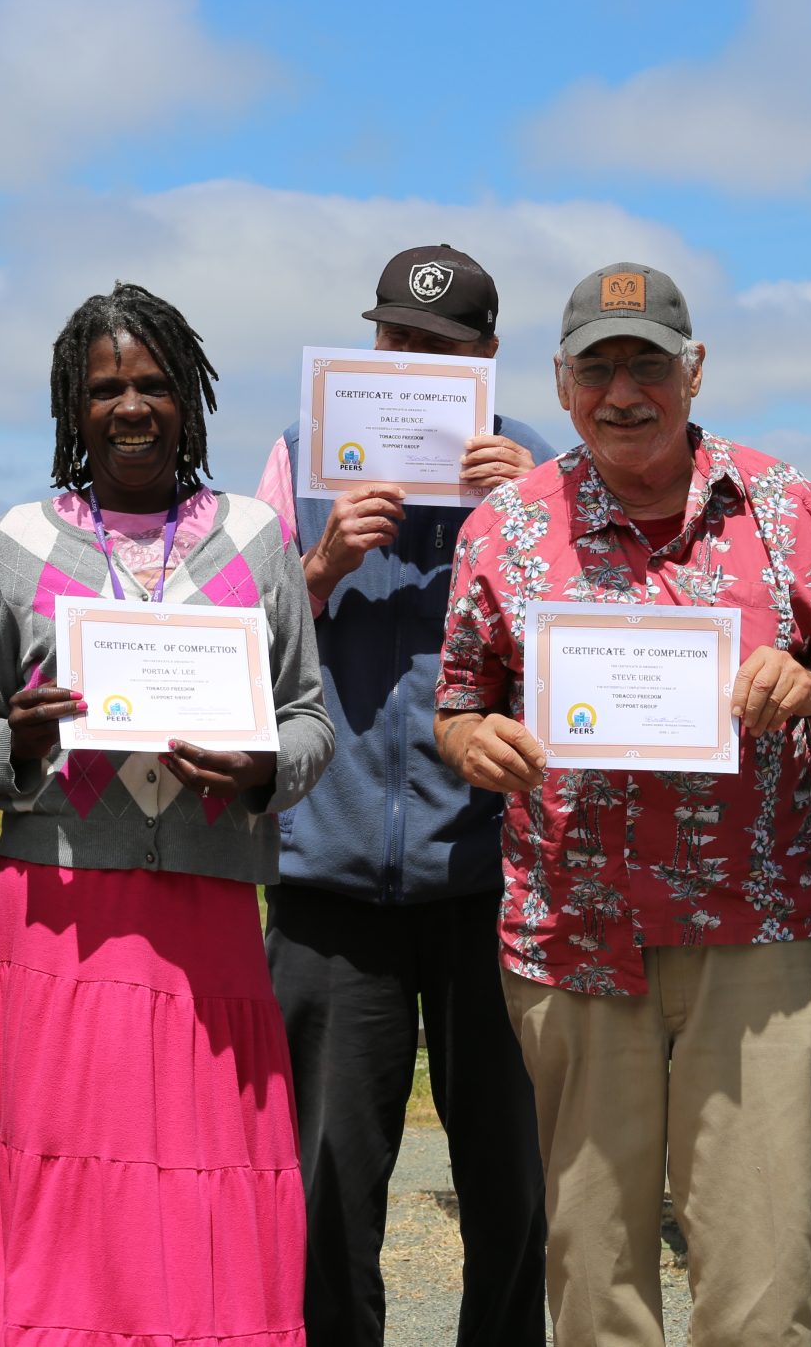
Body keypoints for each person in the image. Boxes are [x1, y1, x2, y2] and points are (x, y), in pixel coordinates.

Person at [433, 262, 811, 1346]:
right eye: (597, 366)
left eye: (646, 362)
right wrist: (475, 741)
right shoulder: (502, 530)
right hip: (573, 940)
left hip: (758, 941)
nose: (622, 389)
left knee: (755, 1279)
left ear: (693, 372)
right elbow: (457, 703)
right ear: (559, 383)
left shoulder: (785, 508)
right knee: (591, 1281)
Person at [0, 283, 334, 1345]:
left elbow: (309, 721)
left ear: (189, 401)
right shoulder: (15, 543)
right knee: (72, 1168)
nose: (131, 406)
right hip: (60, 906)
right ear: (73, 405)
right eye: (105, 386)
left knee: (213, 1167)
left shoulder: (255, 540)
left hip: (205, 910)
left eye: (153, 384)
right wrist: (13, 745)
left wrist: (260, 772)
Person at [252, 243, 552, 1346]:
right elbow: (234, 638)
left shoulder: (535, 467)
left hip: (491, 881)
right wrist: (317, 566)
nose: (408, 359)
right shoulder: (297, 456)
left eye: (436, 346)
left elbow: (592, 655)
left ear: (482, 357)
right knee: (326, 1185)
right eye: (393, 338)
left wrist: (528, 526)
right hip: (327, 885)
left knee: (509, 1184)